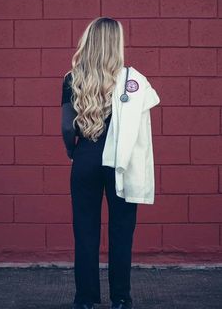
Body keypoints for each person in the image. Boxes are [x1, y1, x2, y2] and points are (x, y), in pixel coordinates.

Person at [61, 17, 138, 309]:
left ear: (89, 41)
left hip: (86, 158)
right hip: (121, 160)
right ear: (115, 43)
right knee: (121, 230)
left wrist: (74, 152)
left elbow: (68, 128)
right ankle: (120, 299)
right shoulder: (132, 82)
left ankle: (85, 300)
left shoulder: (72, 78)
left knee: (85, 230)